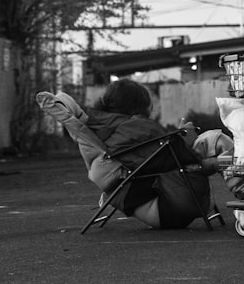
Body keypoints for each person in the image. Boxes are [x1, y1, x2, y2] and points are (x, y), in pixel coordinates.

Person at [37, 79, 229, 229]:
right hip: (171, 206)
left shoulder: (109, 127)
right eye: (148, 103)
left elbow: (158, 157)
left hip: (164, 204)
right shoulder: (133, 128)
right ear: (137, 106)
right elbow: (176, 159)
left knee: (210, 145)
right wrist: (186, 138)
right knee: (213, 140)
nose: (151, 108)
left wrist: (181, 137)